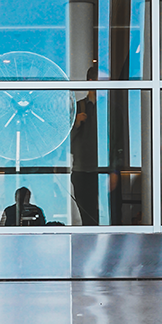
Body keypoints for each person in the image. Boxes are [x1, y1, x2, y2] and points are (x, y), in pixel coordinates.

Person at [69, 68, 100, 225]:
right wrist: (76, 124)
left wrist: (114, 169)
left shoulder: (108, 107)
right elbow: (66, 145)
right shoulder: (77, 108)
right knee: (87, 216)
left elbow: (118, 140)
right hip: (82, 169)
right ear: (90, 82)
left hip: (102, 170)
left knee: (105, 216)